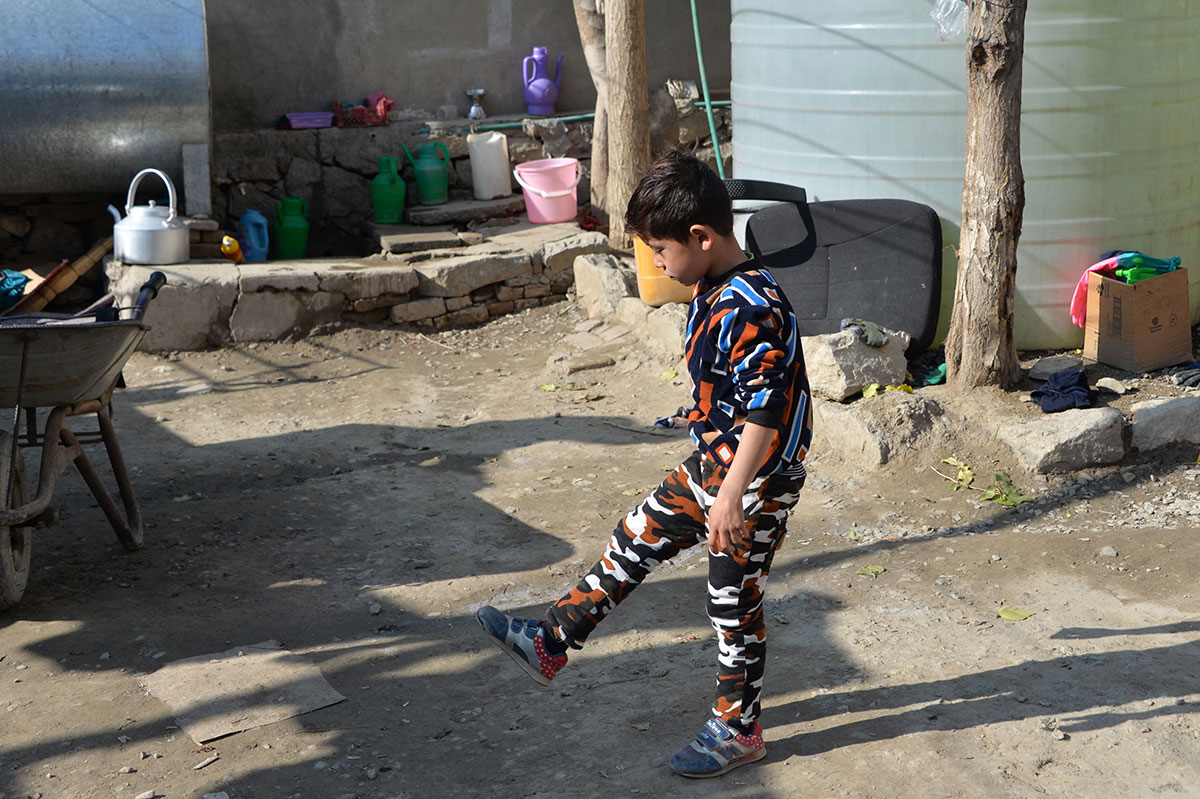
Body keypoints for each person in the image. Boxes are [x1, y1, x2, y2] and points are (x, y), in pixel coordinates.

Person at [477, 150, 812, 778]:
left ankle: (739, 730)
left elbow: (767, 409)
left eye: (660, 249)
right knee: (637, 535)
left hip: (753, 477)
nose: (656, 262)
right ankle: (552, 641)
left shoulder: (748, 303)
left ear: (701, 237)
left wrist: (733, 495)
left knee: (731, 596)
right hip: (718, 462)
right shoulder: (714, 286)